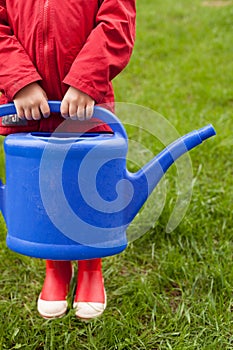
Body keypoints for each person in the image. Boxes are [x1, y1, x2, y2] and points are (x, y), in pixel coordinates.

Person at [0, 0, 136, 319]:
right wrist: (20, 82)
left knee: (86, 188)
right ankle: (56, 269)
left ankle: (90, 267)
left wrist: (86, 82)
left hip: (85, 105)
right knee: (45, 190)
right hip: (27, 105)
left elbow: (117, 22)